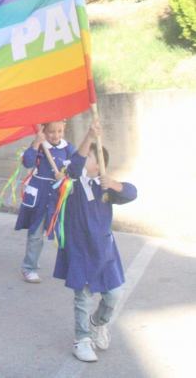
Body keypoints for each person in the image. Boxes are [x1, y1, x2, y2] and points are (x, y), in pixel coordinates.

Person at [54, 119, 137, 363]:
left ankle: (98, 322)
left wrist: (111, 182)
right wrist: (89, 136)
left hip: (105, 252)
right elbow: (73, 165)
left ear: (99, 165)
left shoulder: (106, 189)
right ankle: (81, 340)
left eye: (92, 157)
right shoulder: (74, 184)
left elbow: (131, 193)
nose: (85, 160)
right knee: (82, 298)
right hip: (80, 251)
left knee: (114, 294)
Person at [15, 121, 76, 283]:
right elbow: (27, 162)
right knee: (36, 234)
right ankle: (29, 267)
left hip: (58, 197)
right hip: (41, 197)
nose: (56, 135)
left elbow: (77, 167)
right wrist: (36, 143)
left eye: (59, 131)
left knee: (64, 234)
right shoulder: (40, 146)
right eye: (51, 132)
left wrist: (65, 175)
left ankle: (72, 267)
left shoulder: (68, 148)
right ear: (44, 131)